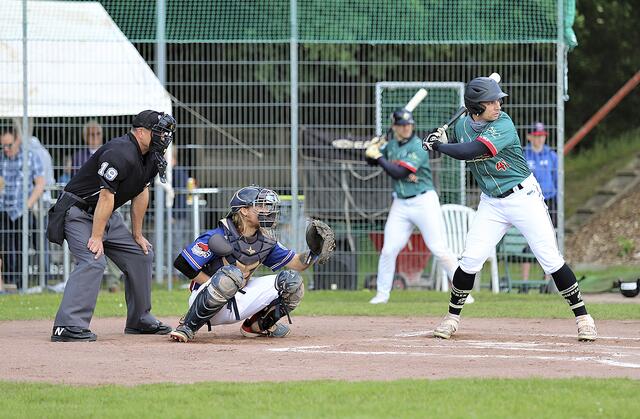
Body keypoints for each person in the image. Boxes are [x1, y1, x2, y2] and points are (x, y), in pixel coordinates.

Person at [422, 76, 597, 341]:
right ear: (475, 107)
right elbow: (452, 142)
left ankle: (584, 318)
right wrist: (437, 139)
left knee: (550, 259)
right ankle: (452, 318)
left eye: (497, 100)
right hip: (491, 202)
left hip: (523, 196)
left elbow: (472, 150)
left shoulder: (503, 124)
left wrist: (441, 146)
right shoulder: (462, 125)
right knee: (470, 260)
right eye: (490, 101)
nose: (498, 105)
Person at [49, 110, 177, 342]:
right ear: (140, 132)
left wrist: (137, 234)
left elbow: (141, 192)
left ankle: (140, 320)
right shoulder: (120, 152)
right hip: (77, 212)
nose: (164, 137)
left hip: (104, 214)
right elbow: (106, 196)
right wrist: (96, 236)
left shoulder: (151, 154)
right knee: (93, 260)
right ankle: (68, 326)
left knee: (142, 254)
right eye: (158, 132)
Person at [169, 186, 332, 342]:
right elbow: (183, 263)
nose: (268, 210)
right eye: (260, 206)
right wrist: (218, 286)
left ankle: (257, 326)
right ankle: (188, 326)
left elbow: (298, 264)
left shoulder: (266, 240)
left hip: (239, 299)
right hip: (207, 303)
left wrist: (314, 252)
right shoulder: (219, 235)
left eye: (267, 206)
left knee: (293, 282)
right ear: (244, 210)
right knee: (232, 275)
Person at [364, 108, 460, 304]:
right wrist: (371, 148)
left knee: (438, 248)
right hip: (400, 203)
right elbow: (369, 161)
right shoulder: (390, 145)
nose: (406, 128)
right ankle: (382, 294)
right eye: (402, 125)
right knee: (388, 250)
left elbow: (398, 172)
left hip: (423, 201)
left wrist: (379, 157)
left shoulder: (419, 146)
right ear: (394, 127)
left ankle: (463, 291)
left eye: (409, 124)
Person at [0, 128, 45, 290]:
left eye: (9, 145)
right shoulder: (1, 159)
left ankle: (20, 283)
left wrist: (28, 204)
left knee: (21, 247)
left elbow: (40, 183)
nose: (6, 149)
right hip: (3, 209)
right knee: (5, 247)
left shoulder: (30, 157)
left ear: (18, 140)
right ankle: (7, 282)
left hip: (22, 210)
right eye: (3, 146)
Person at [522, 122, 558, 281]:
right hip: (530, 202)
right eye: (537, 136)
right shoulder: (524, 154)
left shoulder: (551, 155)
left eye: (542, 135)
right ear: (530, 137)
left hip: (550, 201)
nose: (540, 139)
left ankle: (547, 281)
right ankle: (524, 282)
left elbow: (557, 179)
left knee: (549, 240)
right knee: (528, 241)